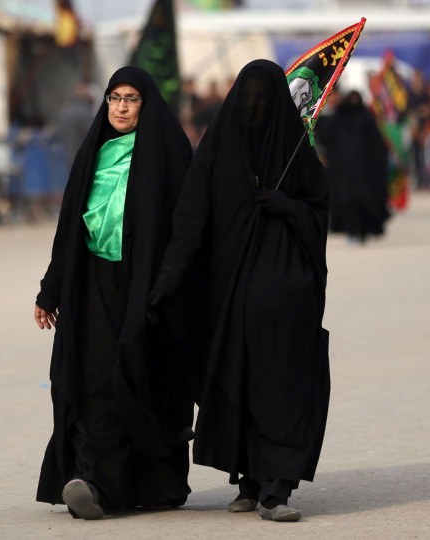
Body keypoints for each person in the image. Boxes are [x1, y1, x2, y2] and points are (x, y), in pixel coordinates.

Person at [150, 59, 330, 523]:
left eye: (263, 98)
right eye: (246, 97)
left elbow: (319, 210)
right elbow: (191, 219)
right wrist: (169, 279)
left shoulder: (294, 149)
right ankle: (249, 479)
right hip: (227, 295)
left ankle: (278, 488)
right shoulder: (218, 149)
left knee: (284, 384)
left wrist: (288, 206)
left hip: (287, 292)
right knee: (239, 383)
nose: (254, 106)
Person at [33, 66, 195, 519]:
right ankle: (93, 481)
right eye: (114, 98)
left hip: (149, 290)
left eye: (131, 99)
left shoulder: (169, 152)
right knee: (96, 378)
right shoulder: (94, 152)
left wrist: (171, 287)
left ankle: (156, 482)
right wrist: (50, 290)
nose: (121, 108)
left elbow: (189, 227)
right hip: (94, 284)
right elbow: (70, 226)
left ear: (147, 103)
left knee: (147, 379)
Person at [316, 90, 389, 242]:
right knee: (348, 202)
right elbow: (324, 138)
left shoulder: (367, 120)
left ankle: (365, 230)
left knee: (365, 201)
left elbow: (377, 147)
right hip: (343, 173)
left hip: (365, 172)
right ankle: (351, 231)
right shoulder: (337, 118)